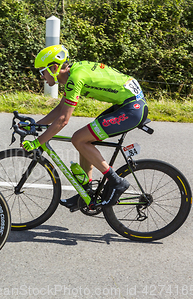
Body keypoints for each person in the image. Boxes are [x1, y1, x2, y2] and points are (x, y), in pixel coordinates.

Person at [23, 45, 148, 210]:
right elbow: (62, 108)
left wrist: (37, 142)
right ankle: (86, 192)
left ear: (54, 68)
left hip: (132, 109)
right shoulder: (74, 72)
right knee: (85, 139)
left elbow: (63, 120)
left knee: (79, 139)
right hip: (127, 103)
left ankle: (117, 182)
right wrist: (36, 125)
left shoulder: (75, 78)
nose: (42, 77)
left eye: (42, 72)